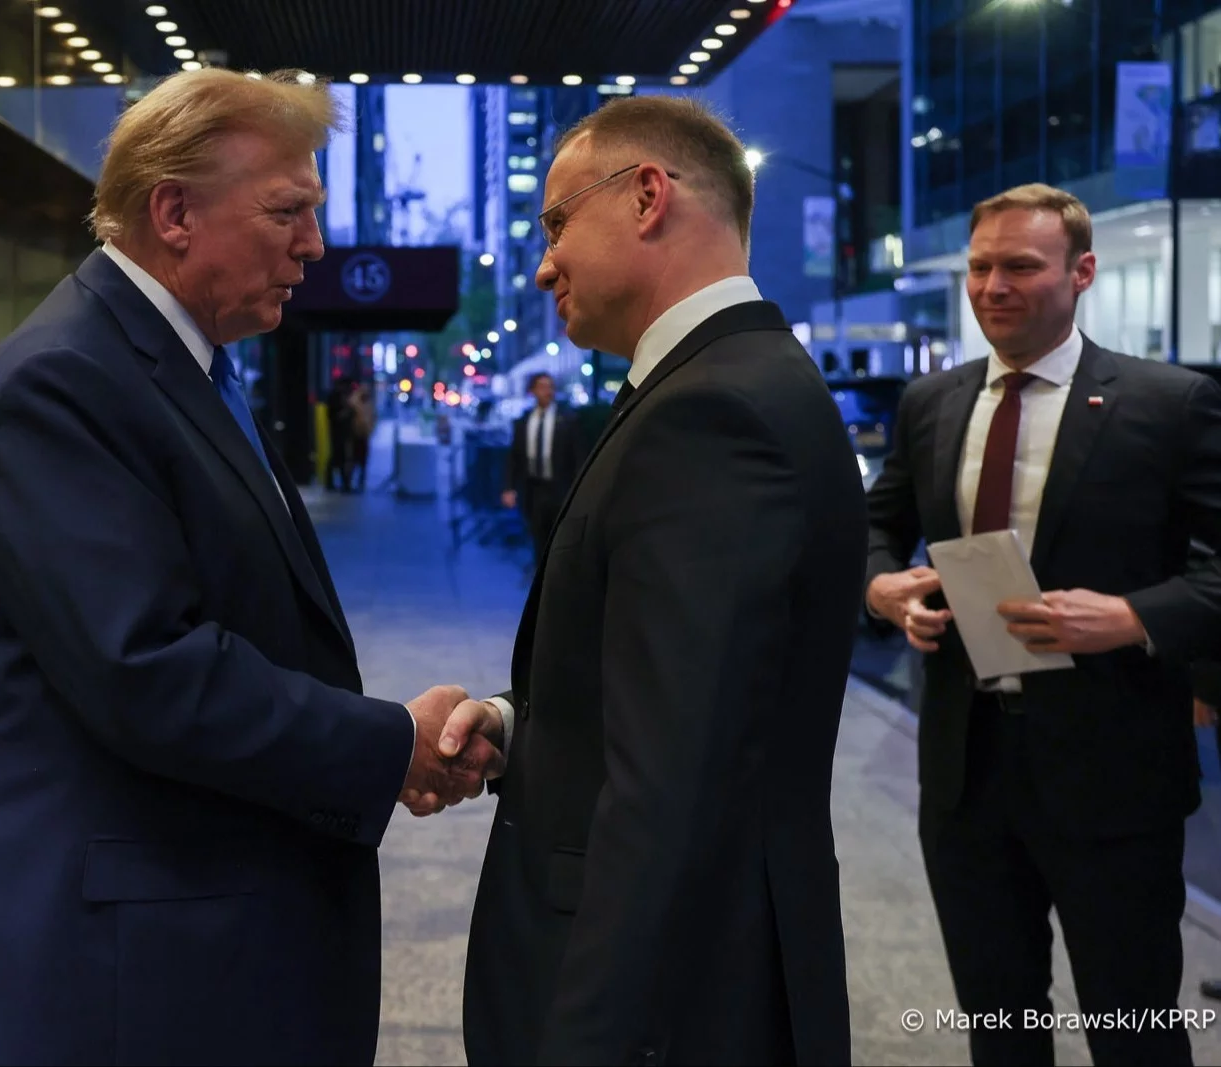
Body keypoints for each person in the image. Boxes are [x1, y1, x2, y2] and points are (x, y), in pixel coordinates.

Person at [0, 69, 497, 1067]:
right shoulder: (69, 379)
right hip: (103, 971)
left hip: (162, 943)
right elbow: (145, 668)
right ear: (175, 212)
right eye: (288, 210)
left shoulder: (176, 361)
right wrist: (386, 745)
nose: (315, 245)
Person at [411, 95, 866, 1065]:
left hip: (669, 1003)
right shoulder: (720, 385)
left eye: (556, 221)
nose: (542, 264)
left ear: (648, 195)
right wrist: (517, 720)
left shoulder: (713, 413)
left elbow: (671, 785)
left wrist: (585, 1038)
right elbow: (673, 700)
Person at [863, 183, 1221, 1066]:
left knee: (1131, 1022)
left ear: (1082, 272)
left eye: (1020, 265)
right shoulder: (931, 403)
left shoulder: (1166, 405)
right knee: (999, 1021)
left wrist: (1135, 615)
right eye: (981, 267)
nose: (993, 286)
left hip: (1114, 771)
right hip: (963, 768)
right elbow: (875, 527)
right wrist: (880, 589)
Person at [501, 372, 582, 564]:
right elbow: (514, 457)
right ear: (533, 390)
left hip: (559, 487)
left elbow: (578, 456)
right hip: (533, 488)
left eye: (550, 386)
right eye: (542, 387)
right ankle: (540, 575)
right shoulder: (524, 422)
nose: (547, 391)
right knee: (537, 535)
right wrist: (508, 487)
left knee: (559, 537)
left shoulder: (567, 421)